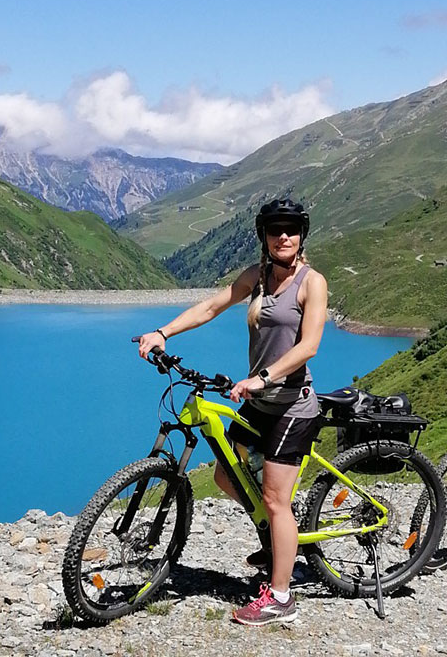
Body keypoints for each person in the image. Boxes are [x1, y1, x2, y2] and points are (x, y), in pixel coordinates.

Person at [135, 198, 327, 626]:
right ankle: (280, 543)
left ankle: (281, 597)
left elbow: (309, 345)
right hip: (259, 402)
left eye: (291, 229)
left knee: (277, 501)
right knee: (226, 474)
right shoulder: (256, 278)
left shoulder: (312, 283)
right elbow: (210, 307)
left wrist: (263, 377)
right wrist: (162, 332)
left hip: (292, 405)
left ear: (301, 235)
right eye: (275, 228)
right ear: (263, 234)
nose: (283, 236)